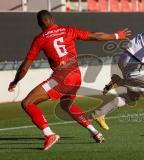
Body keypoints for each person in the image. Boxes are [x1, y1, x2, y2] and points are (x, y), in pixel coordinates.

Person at [8, 10, 131, 150]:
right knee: (66, 105)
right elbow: (94, 36)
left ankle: (49, 135)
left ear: (38, 23)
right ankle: (95, 132)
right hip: (76, 75)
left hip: (61, 77)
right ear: (52, 19)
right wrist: (116, 35)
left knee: (27, 103)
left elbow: (25, 67)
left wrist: (15, 82)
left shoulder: (40, 39)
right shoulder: (68, 30)